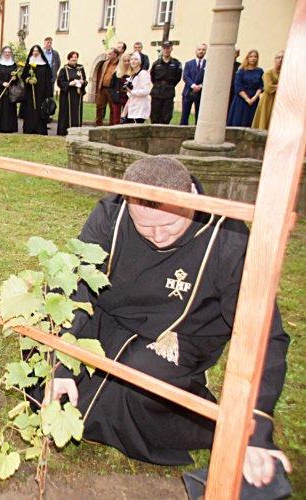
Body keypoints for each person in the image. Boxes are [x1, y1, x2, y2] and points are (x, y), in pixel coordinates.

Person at [40, 156, 291, 489]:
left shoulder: (229, 237)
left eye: (170, 226)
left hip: (176, 338)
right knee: (42, 374)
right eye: (145, 227)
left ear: (192, 198)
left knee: (139, 386)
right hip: (108, 319)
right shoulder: (111, 212)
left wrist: (254, 427)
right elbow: (74, 283)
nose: (158, 236)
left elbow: (263, 335)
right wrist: (61, 362)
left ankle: (211, 423)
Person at [20, 45, 53, 135]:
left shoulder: (44, 65)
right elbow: (23, 76)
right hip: (30, 92)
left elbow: (48, 78)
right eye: (34, 51)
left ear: (40, 52)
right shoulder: (29, 63)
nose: (35, 52)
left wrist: (48, 92)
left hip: (41, 92)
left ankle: (40, 129)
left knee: (40, 110)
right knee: (30, 110)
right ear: (31, 52)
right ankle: (29, 128)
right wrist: (28, 80)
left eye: (37, 50)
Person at [227, 49, 264, 127]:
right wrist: (247, 99)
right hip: (241, 100)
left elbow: (261, 85)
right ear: (247, 58)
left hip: (254, 99)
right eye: (251, 56)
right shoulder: (241, 71)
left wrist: (254, 98)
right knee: (238, 122)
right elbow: (238, 87)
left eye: (255, 57)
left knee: (251, 122)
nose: (253, 58)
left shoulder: (260, 71)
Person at [149, 41, 182, 124]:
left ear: (171, 49)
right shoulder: (156, 64)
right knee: (155, 115)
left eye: (168, 48)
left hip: (169, 92)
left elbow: (177, 78)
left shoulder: (176, 63)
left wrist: (169, 86)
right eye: (164, 48)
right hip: (157, 92)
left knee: (166, 115)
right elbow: (152, 77)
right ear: (162, 49)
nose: (166, 50)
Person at [56, 51, 87, 136]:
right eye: (72, 57)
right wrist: (70, 83)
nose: (74, 59)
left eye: (76, 57)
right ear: (69, 58)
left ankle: (76, 130)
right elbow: (60, 82)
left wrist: (82, 82)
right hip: (67, 95)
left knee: (76, 112)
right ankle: (64, 131)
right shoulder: (64, 70)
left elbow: (85, 80)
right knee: (66, 113)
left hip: (77, 94)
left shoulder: (80, 68)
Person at [0, 46, 18, 133]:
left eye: (9, 52)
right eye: (6, 52)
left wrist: (15, 78)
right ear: (2, 53)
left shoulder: (14, 64)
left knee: (9, 109)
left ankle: (9, 128)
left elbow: (17, 79)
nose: (7, 54)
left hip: (9, 91)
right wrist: (2, 83)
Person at [252, 50, 284, 131]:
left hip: (280, 100)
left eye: (283, 58)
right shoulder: (268, 73)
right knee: (265, 119)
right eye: (278, 57)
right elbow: (268, 87)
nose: (280, 59)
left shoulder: (285, 73)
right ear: (274, 59)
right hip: (268, 99)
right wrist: (282, 86)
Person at [180, 44, 207, 126]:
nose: (201, 51)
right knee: (185, 115)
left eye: (203, 49)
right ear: (196, 51)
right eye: (199, 49)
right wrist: (193, 85)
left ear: (205, 51)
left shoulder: (208, 64)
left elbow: (209, 77)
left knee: (199, 115)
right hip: (188, 92)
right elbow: (185, 76)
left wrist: (200, 86)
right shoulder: (189, 63)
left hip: (201, 93)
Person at [122, 52, 152, 124]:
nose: (133, 61)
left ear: (140, 61)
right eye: (131, 59)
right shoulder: (132, 75)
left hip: (141, 107)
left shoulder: (143, 73)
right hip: (133, 105)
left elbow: (146, 91)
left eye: (136, 59)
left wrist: (131, 91)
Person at [95, 48, 119, 126]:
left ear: (115, 55)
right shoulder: (105, 63)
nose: (108, 55)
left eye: (110, 54)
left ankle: (111, 126)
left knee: (112, 109)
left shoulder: (119, 64)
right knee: (99, 106)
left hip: (112, 89)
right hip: (103, 88)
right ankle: (98, 125)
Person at [107, 52, 131, 125]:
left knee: (128, 118)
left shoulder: (133, 73)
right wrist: (114, 97)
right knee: (116, 119)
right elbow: (111, 87)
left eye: (128, 61)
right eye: (125, 61)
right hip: (117, 98)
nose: (127, 63)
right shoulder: (117, 73)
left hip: (128, 98)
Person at [228, 48, 241, 115]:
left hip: (235, 91)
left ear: (238, 55)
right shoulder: (224, 65)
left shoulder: (240, 66)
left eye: (235, 53)